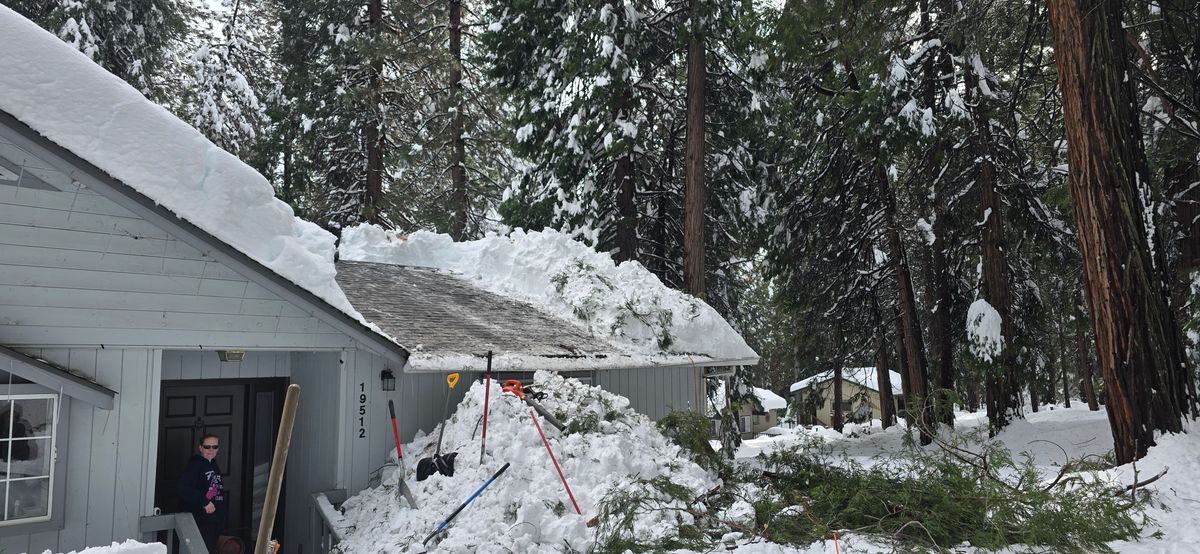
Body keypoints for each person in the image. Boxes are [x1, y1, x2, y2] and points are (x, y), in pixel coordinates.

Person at [177, 434, 227, 552]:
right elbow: (183, 489)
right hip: (201, 520)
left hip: (215, 519)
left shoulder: (214, 465)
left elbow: (213, 489)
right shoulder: (195, 465)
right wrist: (204, 502)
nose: (211, 450)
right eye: (207, 446)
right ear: (200, 448)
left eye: (214, 447)